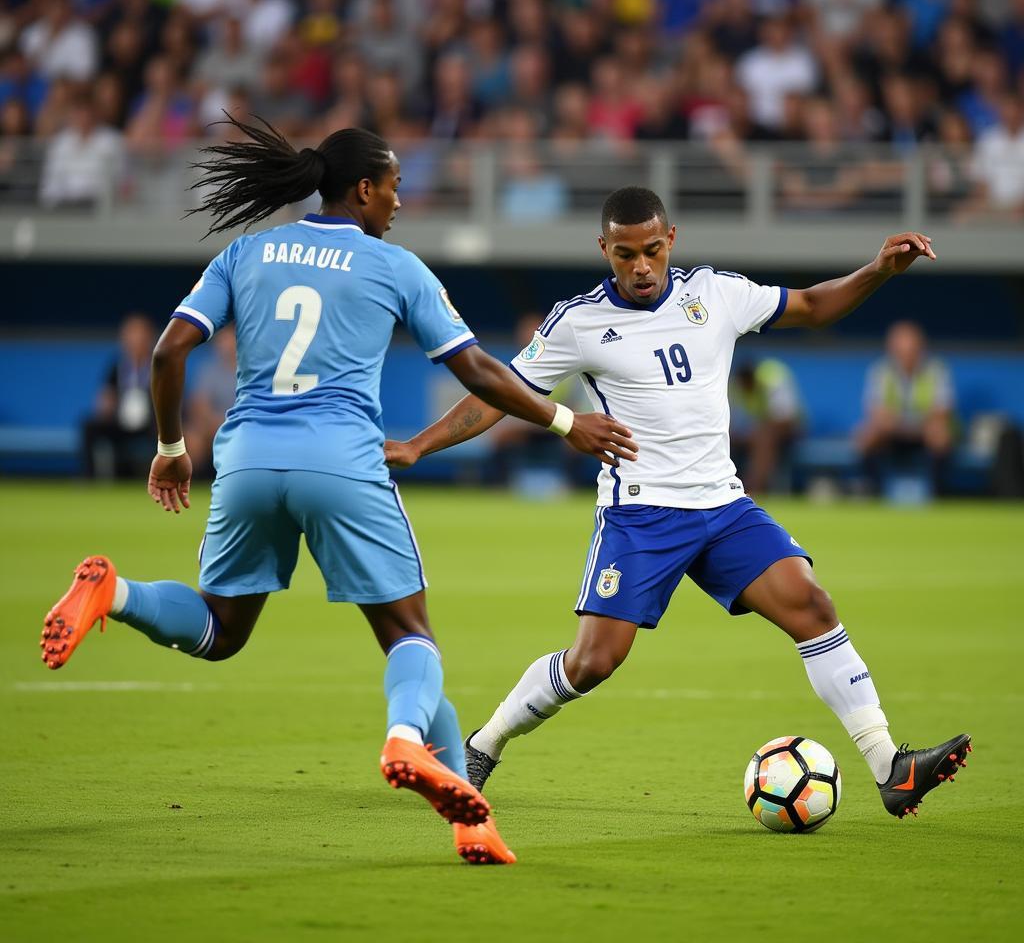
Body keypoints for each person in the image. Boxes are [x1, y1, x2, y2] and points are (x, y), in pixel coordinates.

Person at [39, 117, 636, 867]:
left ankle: (115, 593)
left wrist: (168, 449)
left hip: (248, 459)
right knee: (410, 637)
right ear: (363, 189)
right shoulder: (393, 266)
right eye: (392, 188)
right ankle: (403, 740)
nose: (398, 203)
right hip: (343, 462)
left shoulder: (246, 251)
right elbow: (479, 370)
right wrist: (561, 419)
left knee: (221, 631)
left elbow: (169, 351)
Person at [386, 187, 971, 824]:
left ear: (673, 241)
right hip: (641, 515)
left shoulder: (715, 294)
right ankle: (482, 745)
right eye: (626, 254)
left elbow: (808, 305)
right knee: (593, 661)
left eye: (653, 251)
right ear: (604, 250)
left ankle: (891, 768)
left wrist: (876, 271)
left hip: (724, 506)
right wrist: (420, 445)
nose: (641, 266)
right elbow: (496, 393)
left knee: (812, 604)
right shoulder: (577, 322)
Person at [857, 320, 956, 496]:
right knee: (866, 437)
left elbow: (942, 412)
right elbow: (875, 411)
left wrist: (913, 424)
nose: (906, 355)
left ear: (921, 348)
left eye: (912, 350)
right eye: (900, 350)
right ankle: (873, 489)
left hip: (925, 431)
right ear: (891, 349)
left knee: (940, 435)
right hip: (892, 432)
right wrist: (898, 424)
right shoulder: (880, 371)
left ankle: (938, 491)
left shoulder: (937, 370)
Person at [80, 313, 157, 479]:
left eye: (140, 334)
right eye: (131, 334)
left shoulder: (159, 366)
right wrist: (106, 403)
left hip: (150, 424)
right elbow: (106, 394)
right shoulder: (117, 366)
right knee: (89, 426)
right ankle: (89, 477)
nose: (136, 340)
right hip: (120, 421)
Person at [729, 357, 803, 496]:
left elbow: (785, 417)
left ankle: (755, 488)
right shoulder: (736, 386)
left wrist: (754, 432)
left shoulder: (772, 378)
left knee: (764, 437)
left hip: (790, 428)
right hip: (757, 430)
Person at [184, 324, 237, 479]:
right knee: (193, 438)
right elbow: (199, 404)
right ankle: (191, 486)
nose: (224, 345)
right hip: (212, 426)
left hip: (242, 425)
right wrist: (214, 422)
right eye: (221, 340)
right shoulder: (209, 369)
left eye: (228, 339)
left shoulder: (252, 370)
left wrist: (228, 423)